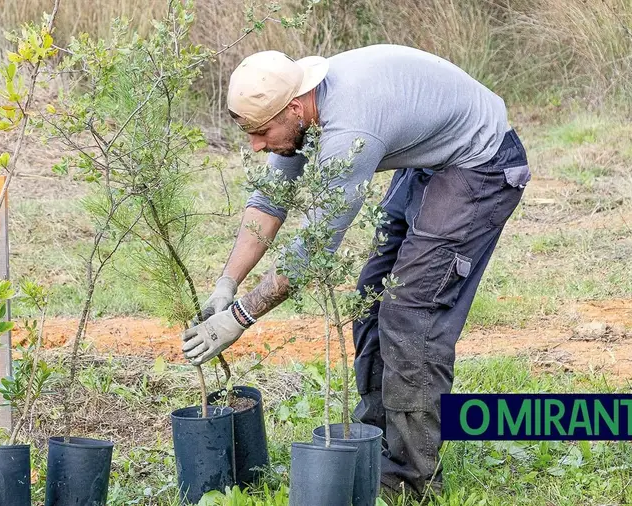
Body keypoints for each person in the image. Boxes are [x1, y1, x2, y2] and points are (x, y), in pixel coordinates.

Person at [181, 44, 530, 499]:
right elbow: (268, 201)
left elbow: (311, 250)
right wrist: (226, 285)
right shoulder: (298, 113)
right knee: (371, 301)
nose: (256, 145)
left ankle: (411, 480)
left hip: (481, 163)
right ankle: (378, 444)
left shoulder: (350, 130)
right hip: (430, 162)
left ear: (293, 107)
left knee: (410, 313)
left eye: (262, 132)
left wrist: (240, 318)